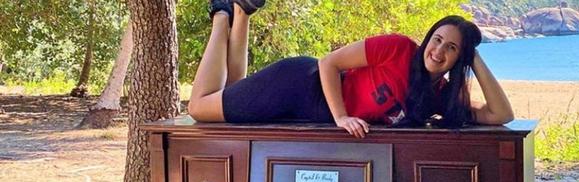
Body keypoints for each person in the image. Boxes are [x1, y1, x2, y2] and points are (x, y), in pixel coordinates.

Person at [188, 0, 514, 138]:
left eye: (452, 48)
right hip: (301, 85)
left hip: (305, 112)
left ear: (459, 60)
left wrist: (476, 58)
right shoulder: (400, 48)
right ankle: (221, 15)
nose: (439, 50)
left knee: (231, 91)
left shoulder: (438, 97)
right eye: (438, 39)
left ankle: (241, 12)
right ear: (429, 37)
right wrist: (341, 117)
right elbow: (329, 62)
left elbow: (502, 114)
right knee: (201, 106)